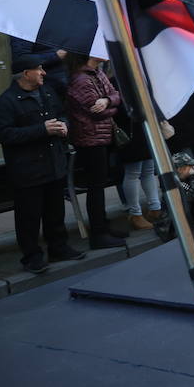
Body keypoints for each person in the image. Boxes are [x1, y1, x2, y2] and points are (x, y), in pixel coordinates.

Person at [0, 55, 84, 274]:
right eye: (39, 69)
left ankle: (58, 247)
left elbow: (62, 114)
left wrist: (63, 125)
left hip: (53, 163)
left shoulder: (47, 92)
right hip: (27, 170)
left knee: (55, 211)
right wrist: (42, 130)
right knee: (29, 217)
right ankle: (32, 257)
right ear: (25, 74)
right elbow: (5, 135)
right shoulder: (6, 102)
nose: (44, 72)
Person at [64, 54, 127, 249]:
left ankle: (103, 227)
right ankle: (98, 234)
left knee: (100, 183)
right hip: (90, 139)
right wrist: (112, 106)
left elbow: (117, 95)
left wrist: (107, 101)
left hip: (102, 136)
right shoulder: (81, 79)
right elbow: (94, 110)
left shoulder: (97, 73)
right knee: (96, 187)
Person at [118, 108, 162, 231]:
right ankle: (136, 214)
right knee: (134, 171)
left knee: (148, 168)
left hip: (141, 123)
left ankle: (155, 207)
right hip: (129, 125)